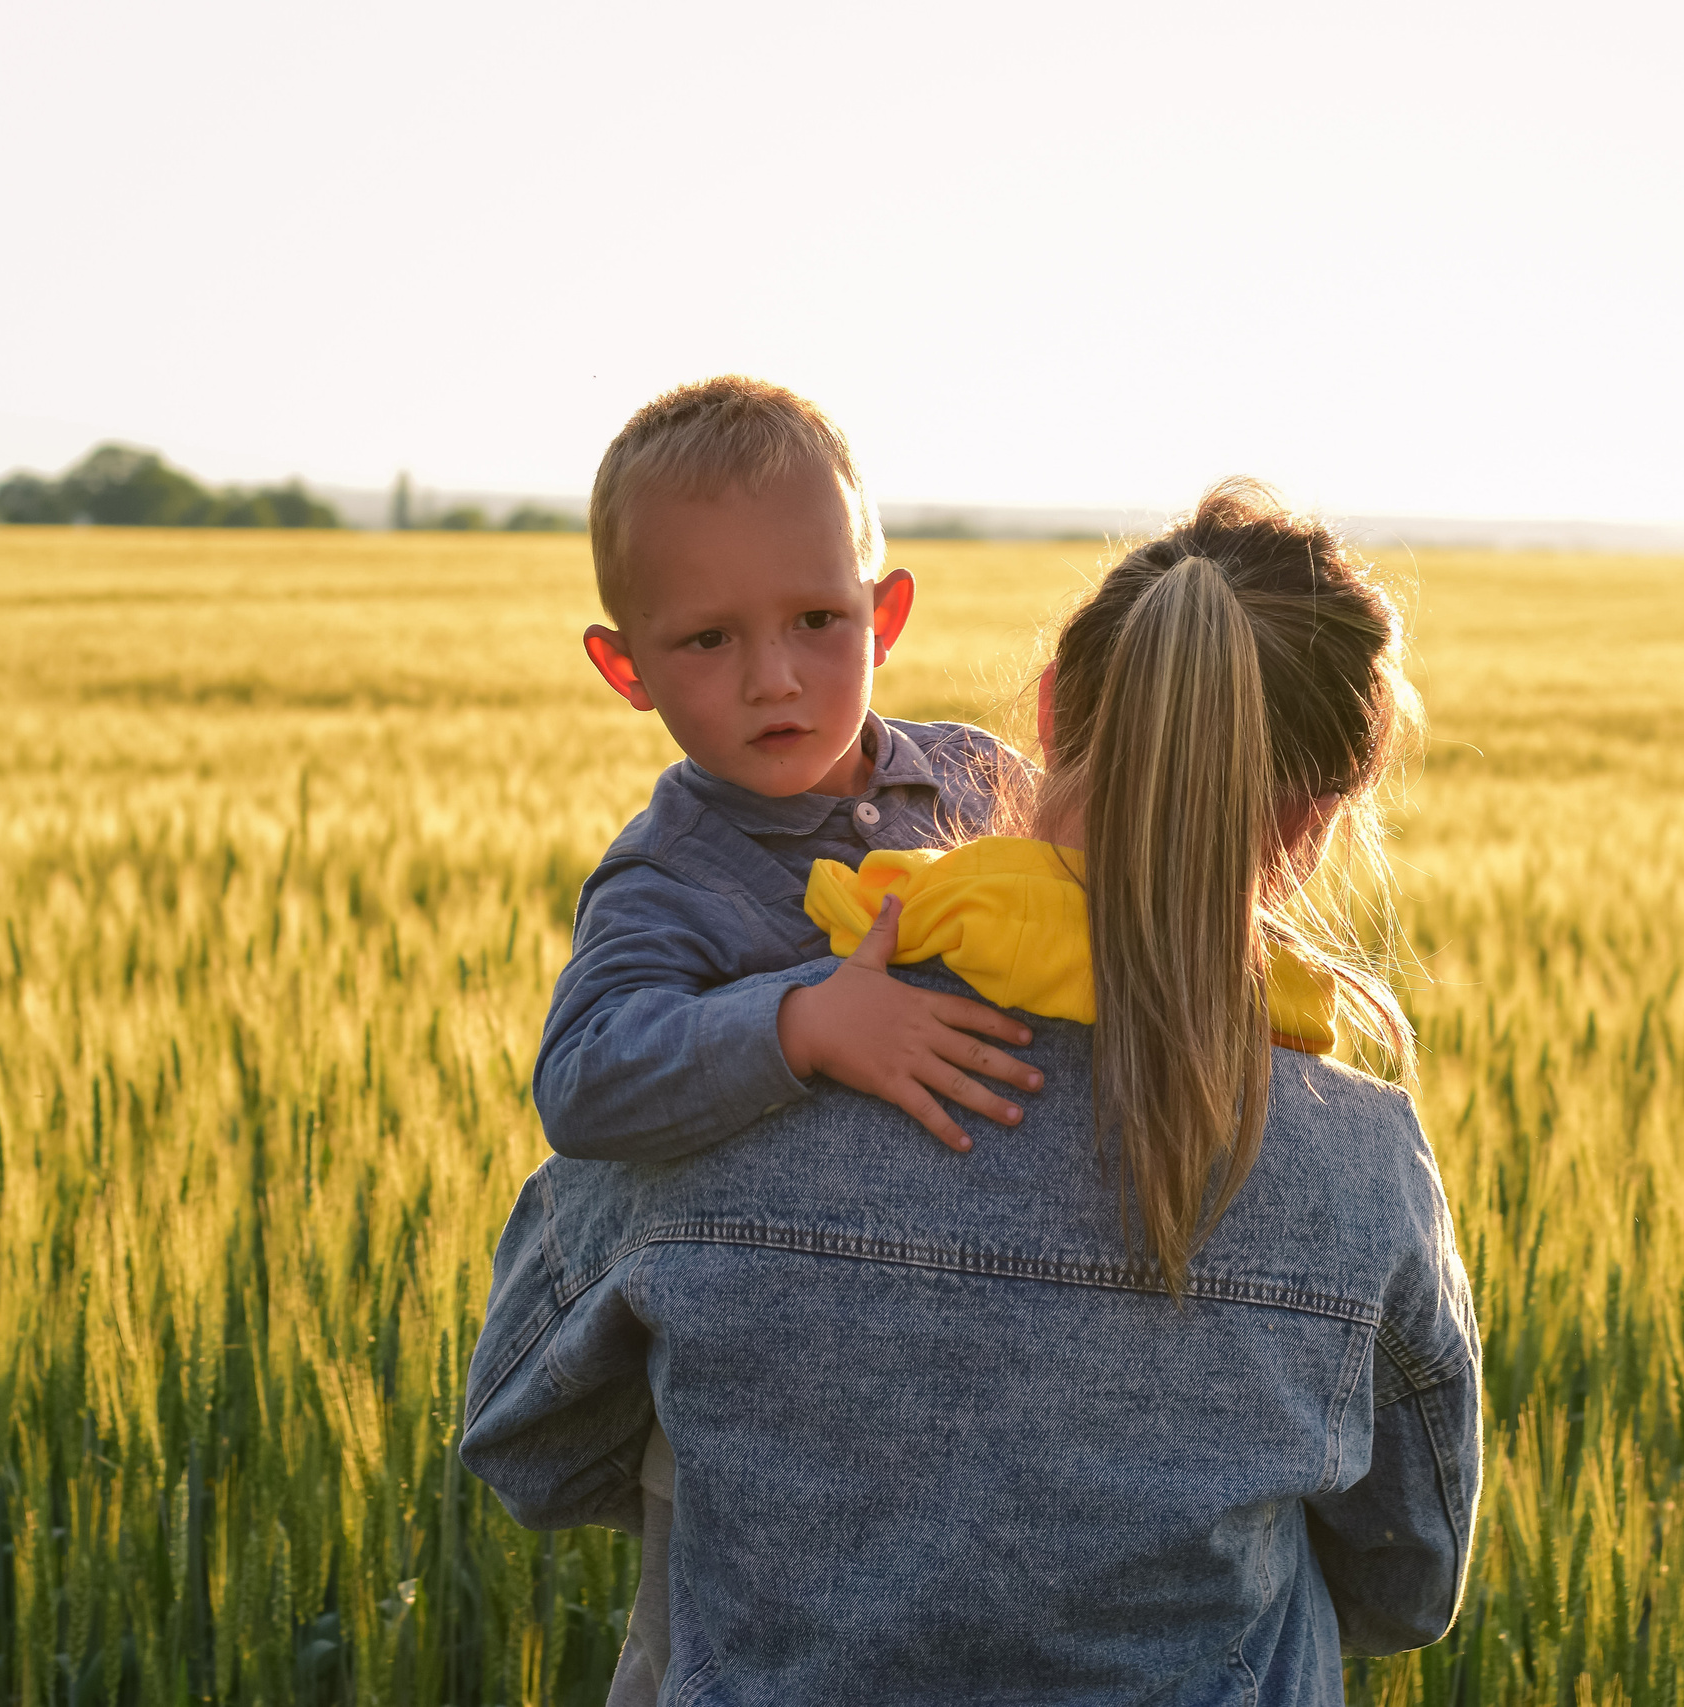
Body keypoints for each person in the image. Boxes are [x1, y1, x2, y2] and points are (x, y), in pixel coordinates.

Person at [465, 481, 1482, 1702]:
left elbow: (530, 1443)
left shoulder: (733, 1059)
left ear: (1053, 710)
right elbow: (1405, 1583)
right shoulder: (1362, 1165)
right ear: (1318, 818)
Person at [538, 375, 1049, 1700]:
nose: (774, 676)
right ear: (626, 667)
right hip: (750, 1422)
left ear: (886, 612)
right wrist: (803, 1021)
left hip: (977, 1376)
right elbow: (586, 1072)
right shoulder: (668, 878)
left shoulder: (985, 786)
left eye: (819, 621)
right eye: (707, 640)